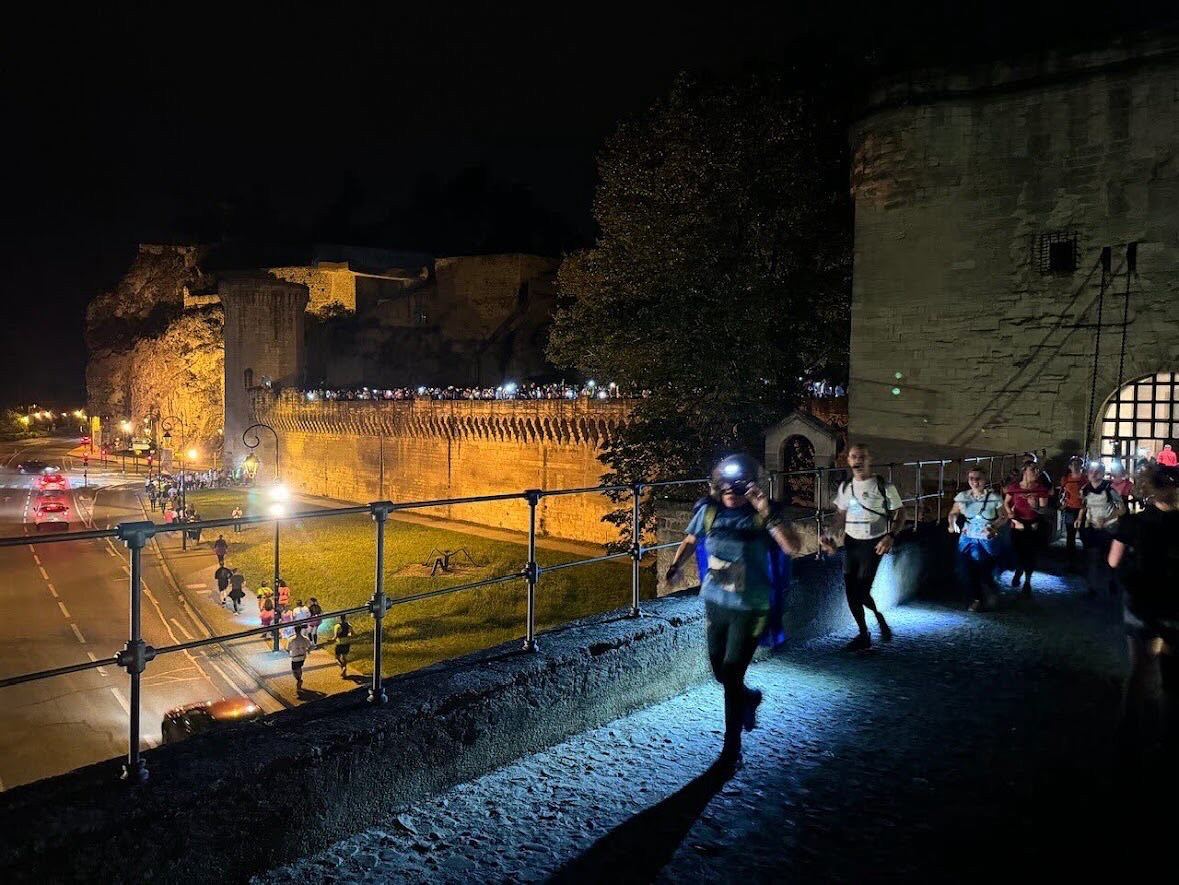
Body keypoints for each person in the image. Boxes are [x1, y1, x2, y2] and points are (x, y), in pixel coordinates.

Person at [665, 454, 802, 770]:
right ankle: (749, 698)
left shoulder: (761, 516)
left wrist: (765, 509)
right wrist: (675, 566)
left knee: (732, 672)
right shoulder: (709, 512)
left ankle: (731, 750)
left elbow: (792, 547)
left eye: (738, 484)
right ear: (717, 484)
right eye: (725, 483)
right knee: (720, 672)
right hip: (716, 603)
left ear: (750, 485)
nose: (731, 490)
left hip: (751, 606)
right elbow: (691, 539)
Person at [1108, 464, 1179, 755]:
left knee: (1139, 669)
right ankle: (1168, 737)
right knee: (1172, 676)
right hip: (1174, 605)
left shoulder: (1133, 523)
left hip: (1140, 601)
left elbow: (1113, 561)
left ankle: (1127, 733)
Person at [820, 443, 905, 650]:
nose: (858, 460)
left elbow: (901, 513)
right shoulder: (845, 487)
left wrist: (890, 536)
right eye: (854, 457)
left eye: (862, 457)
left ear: (869, 459)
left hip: (873, 543)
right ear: (849, 460)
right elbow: (841, 516)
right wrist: (829, 534)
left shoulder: (884, 486)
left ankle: (878, 617)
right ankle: (863, 634)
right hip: (851, 542)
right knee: (851, 592)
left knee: (862, 590)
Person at [947, 467, 1007, 611]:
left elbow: (1003, 516)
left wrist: (994, 527)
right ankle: (977, 599)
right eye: (971, 478)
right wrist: (952, 523)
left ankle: (991, 589)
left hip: (986, 539)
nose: (975, 482)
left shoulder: (994, 498)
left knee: (984, 570)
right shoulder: (963, 496)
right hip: (968, 538)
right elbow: (953, 512)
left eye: (978, 478)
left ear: (985, 480)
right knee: (966, 569)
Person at [1077, 462, 1126, 598]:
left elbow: (1122, 509)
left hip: (1109, 527)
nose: (1093, 474)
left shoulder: (1109, 489)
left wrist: (1106, 519)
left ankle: (1112, 580)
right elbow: (1084, 505)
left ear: (1102, 473)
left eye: (1096, 471)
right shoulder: (1085, 489)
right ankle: (1092, 587)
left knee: (1108, 557)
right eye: (1091, 471)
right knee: (1092, 557)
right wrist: (1080, 519)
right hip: (1092, 527)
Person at [1003, 463, 1051, 598]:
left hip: (1033, 524)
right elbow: (1006, 502)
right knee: (1017, 551)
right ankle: (1019, 569)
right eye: (1033, 469)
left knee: (1030, 554)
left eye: (1037, 469)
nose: (1036, 472)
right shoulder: (1014, 488)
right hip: (1017, 523)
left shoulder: (1040, 489)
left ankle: (1027, 582)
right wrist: (1010, 513)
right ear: (1024, 471)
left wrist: (1034, 506)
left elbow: (1044, 511)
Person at [1058, 457, 1086, 565]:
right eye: (1074, 464)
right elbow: (1062, 492)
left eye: (1078, 464)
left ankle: (1084, 558)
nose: (1076, 466)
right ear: (1070, 466)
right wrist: (1062, 501)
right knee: (1070, 534)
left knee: (1083, 533)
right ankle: (1070, 559)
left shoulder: (1085, 479)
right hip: (1070, 508)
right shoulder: (1066, 479)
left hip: (1083, 509)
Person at [288, 626, 312, 693]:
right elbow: (309, 646)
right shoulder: (305, 638)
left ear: (295, 630)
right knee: (299, 667)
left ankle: (299, 681)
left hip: (295, 658)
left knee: (295, 671)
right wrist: (308, 651)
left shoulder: (291, 639)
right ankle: (299, 681)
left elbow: (288, 648)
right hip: (302, 657)